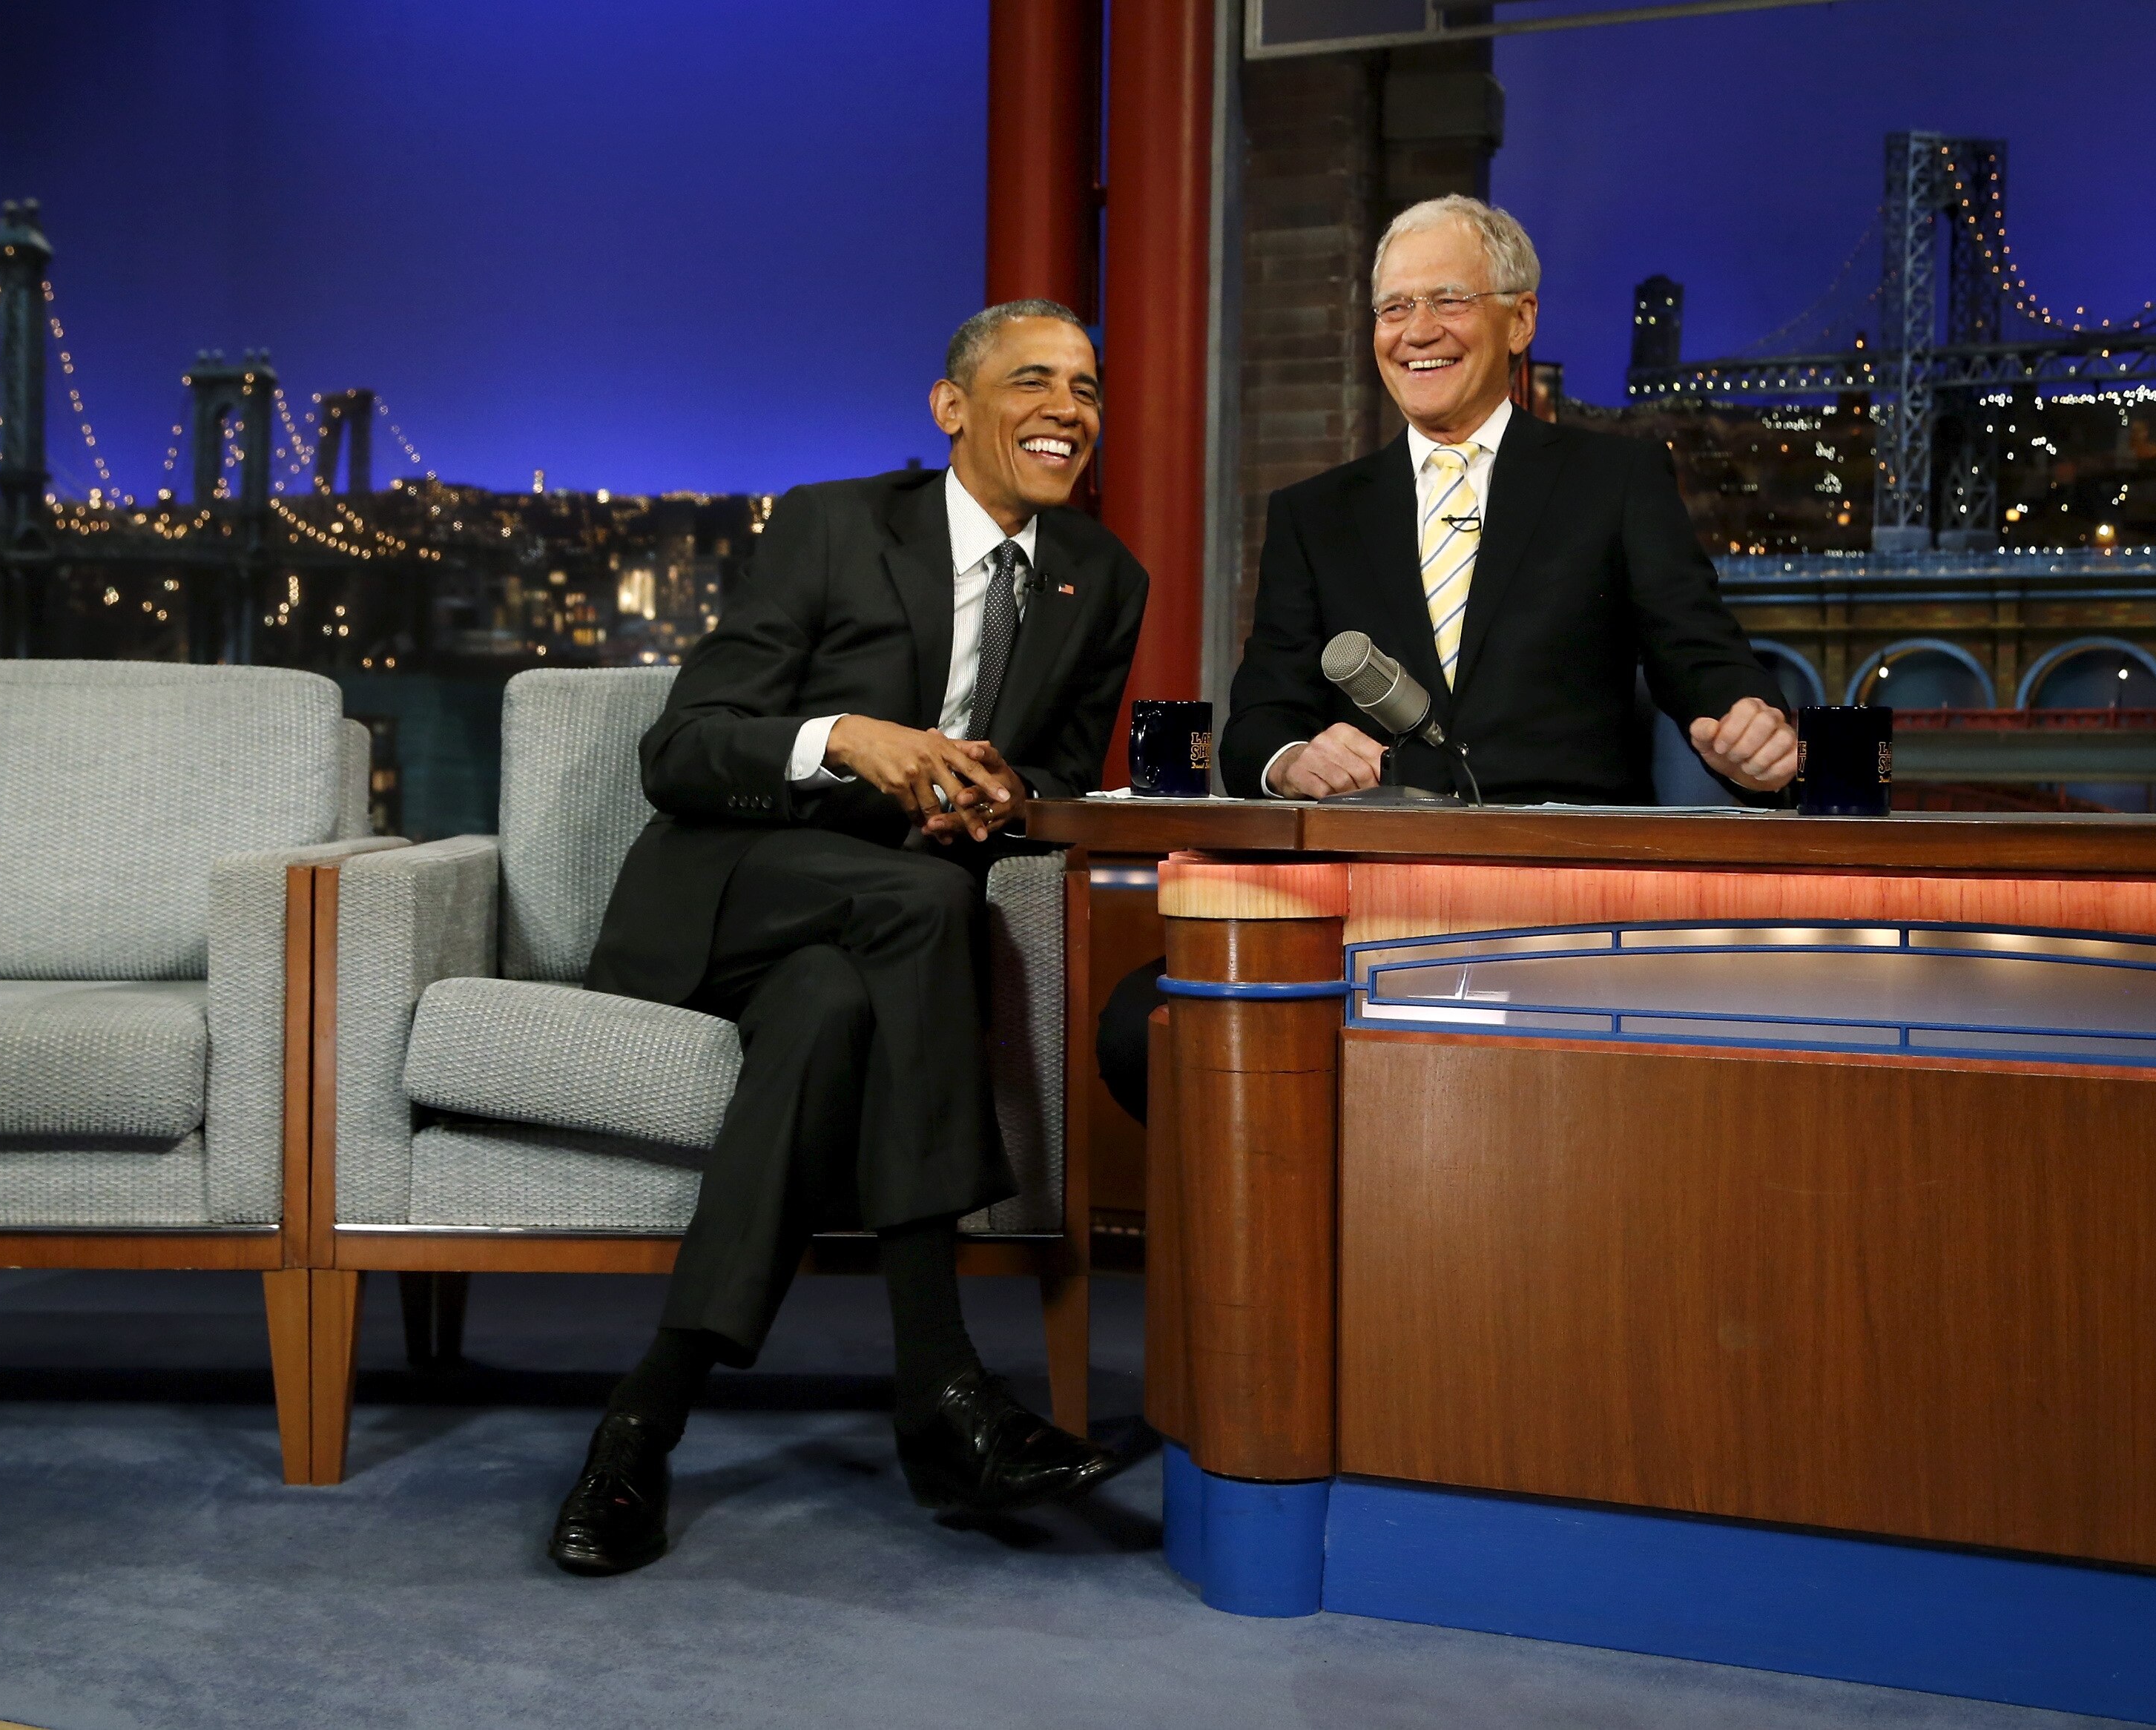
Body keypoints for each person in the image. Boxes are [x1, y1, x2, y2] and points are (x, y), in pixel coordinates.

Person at [555, 300, 1148, 1576]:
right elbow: (683, 752)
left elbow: (1056, 775)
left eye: (1088, 388)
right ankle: (943, 1384)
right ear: (951, 410)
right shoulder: (831, 524)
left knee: (832, 1010)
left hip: (876, 936)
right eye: (1032, 379)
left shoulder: (1103, 578)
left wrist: (1002, 803)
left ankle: (640, 1425)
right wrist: (845, 739)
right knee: (920, 908)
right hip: (733, 887)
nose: (1067, 407)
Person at [1219, 194, 1798, 805]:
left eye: (1449, 300)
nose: (1418, 331)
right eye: (1394, 308)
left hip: (1567, 874)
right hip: (1375, 870)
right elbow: (1259, 722)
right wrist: (1291, 762)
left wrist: (1752, 735)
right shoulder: (1312, 516)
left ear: (1521, 320)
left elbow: (1702, 662)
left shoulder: (1615, 482)